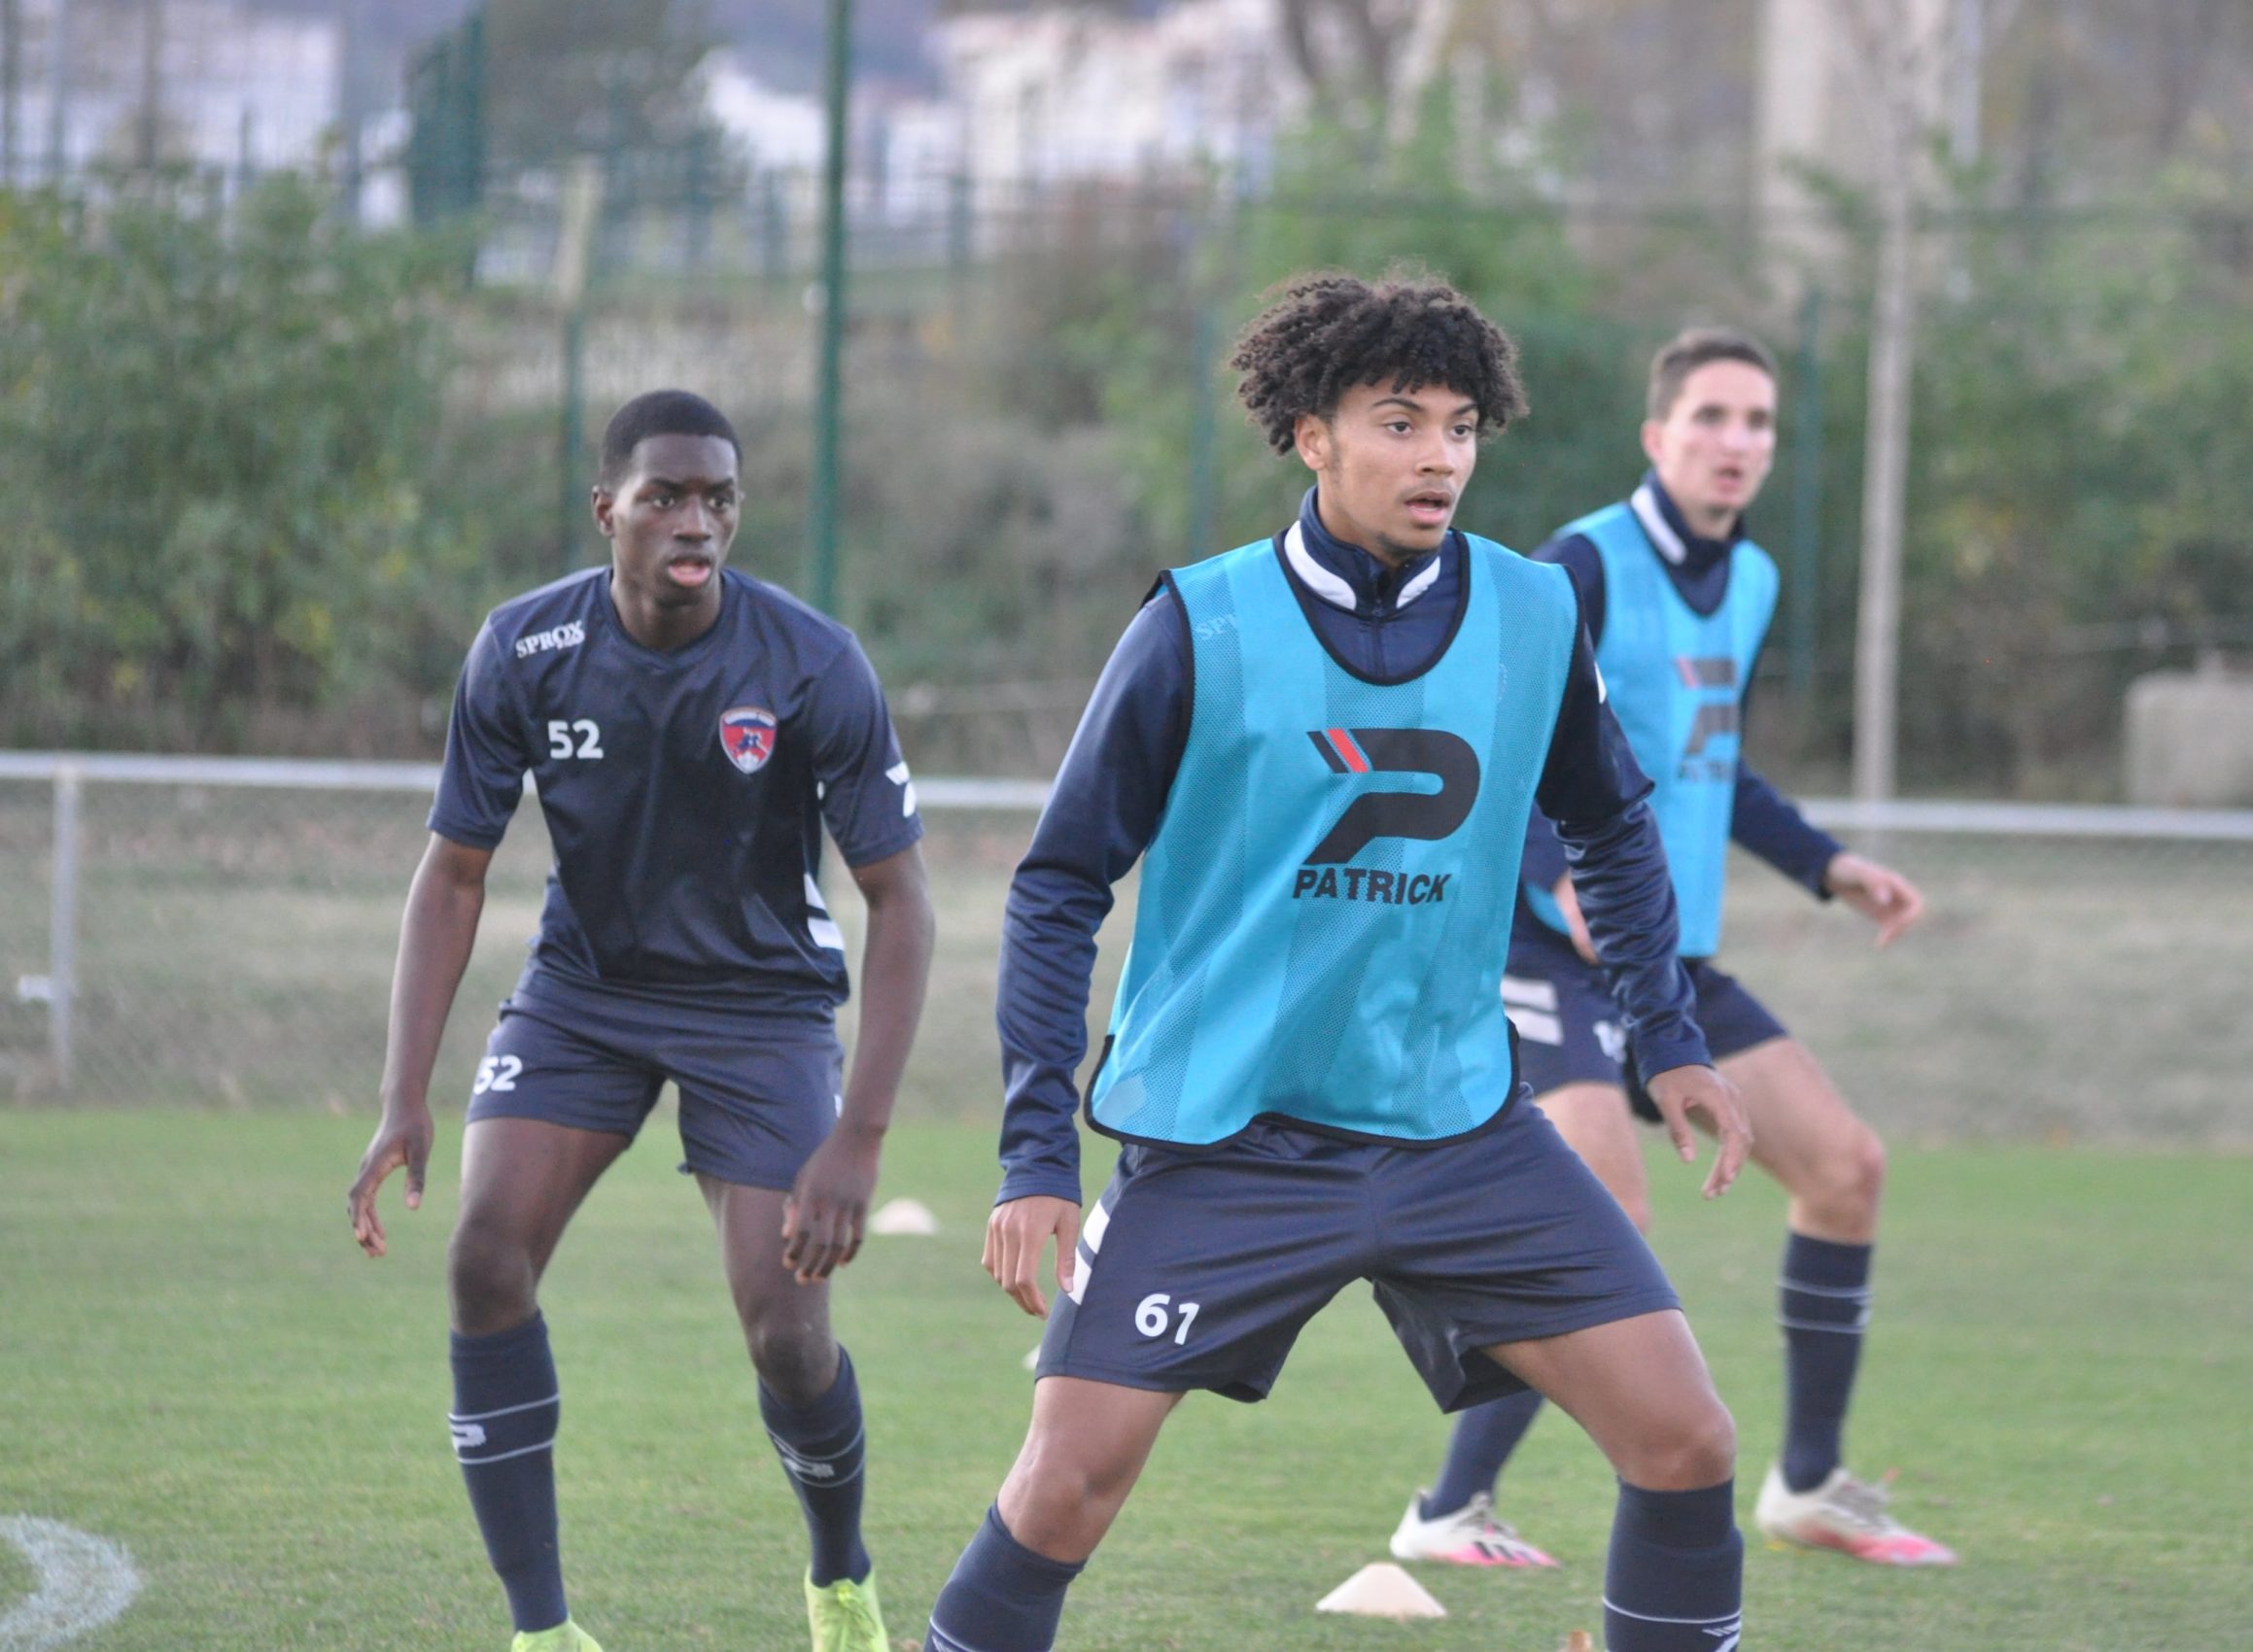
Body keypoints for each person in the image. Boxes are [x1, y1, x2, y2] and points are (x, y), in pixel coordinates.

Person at [919, 272, 1756, 1652]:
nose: (1439, 457)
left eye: (1461, 426)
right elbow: (1061, 880)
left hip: (1458, 1134)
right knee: (1064, 1490)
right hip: (1225, 1139)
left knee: (1686, 1441)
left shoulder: (1537, 617)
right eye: (1399, 422)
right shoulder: (1203, 622)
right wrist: (1031, 1157)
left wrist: (1665, 1039)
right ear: (1311, 435)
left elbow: (1612, 822)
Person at [345, 390, 937, 1652]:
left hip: (762, 1009)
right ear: (605, 508)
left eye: (718, 497)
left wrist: (861, 1137)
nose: (697, 518)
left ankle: (840, 1577)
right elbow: (453, 874)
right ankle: (542, 1631)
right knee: (482, 1256)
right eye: (666, 494)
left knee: (786, 1333)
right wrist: (405, 1093)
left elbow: (904, 903)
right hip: (585, 996)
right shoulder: (521, 650)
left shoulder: (811, 663)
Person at [1391, 327, 1955, 1571]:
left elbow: (1709, 758)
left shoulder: (1746, 581)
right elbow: (1482, 736)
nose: (1736, 441)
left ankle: (1805, 1483)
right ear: (1657, 437)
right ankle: (1447, 1510)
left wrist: (1824, 862)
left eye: (1757, 421)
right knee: (1600, 1211)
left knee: (1845, 1167)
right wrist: (1553, 878)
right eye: (1710, 416)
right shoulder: (1580, 565)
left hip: (1672, 959)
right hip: (1544, 956)